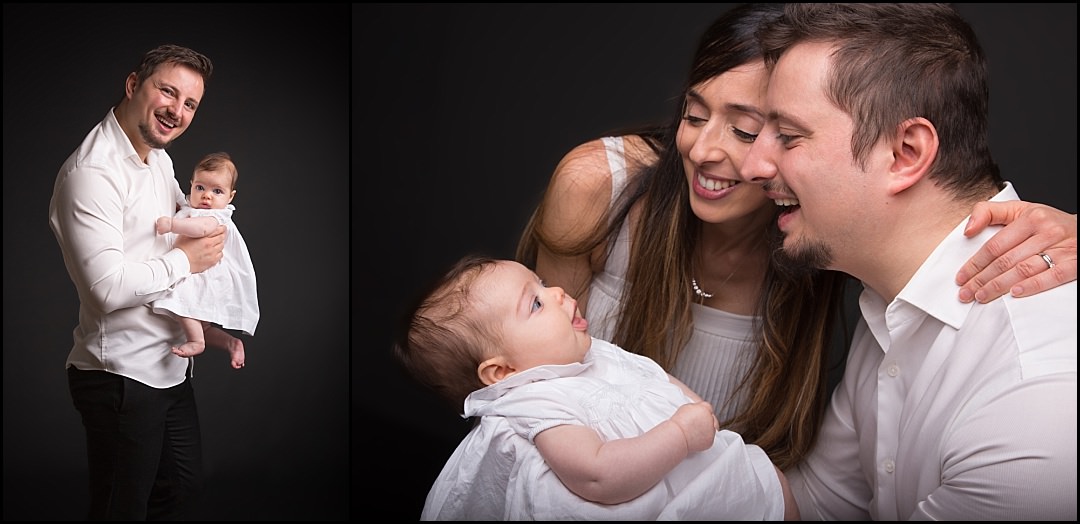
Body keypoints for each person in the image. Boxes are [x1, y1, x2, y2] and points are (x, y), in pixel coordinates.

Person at [516, 3, 1078, 472]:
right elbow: (521, 375)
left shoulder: (828, 253)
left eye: (763, 131)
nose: (726, 154)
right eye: (692, 114)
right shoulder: (605, 188)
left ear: (906, 153)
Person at [737, 3, 1076, 519]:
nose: (752, 165)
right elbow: (817, 508)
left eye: (788, 135)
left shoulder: (1035, 395)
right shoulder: (892, 306)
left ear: (906, 154)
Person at [395, 254, 799, 520]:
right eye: (534, 303)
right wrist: (679, 433)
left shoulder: (580, 354)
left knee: (772, 486)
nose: (556, 293)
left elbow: (649, 375)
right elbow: (597, 474)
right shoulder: (536, 405)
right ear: (501, 373)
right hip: (670, 490)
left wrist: (693, 405)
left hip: (708, 458)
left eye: (540, 283)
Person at [48, 44, 220, 520]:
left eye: (190, 103)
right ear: (132, 85)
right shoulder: (91, 173)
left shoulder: (159, 161)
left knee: (181, 493)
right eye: (168, 91)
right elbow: (105, 291)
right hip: (120, 376)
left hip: (169, 367)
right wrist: (187, 260)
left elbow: (172, 237)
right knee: (120, 509)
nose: (177, 111)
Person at [152, 151, 259, 370]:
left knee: (181, 302)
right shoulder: (192, 208)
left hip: (205, 276)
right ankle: (230, 342)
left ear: (230, 197)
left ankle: (196, 342)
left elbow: (201, 228)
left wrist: (172, 225)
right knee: (203, 325)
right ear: (191, 185)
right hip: (200, 273)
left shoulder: (216, 216)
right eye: (200, 188)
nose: (206, 196)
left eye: (217, 191)